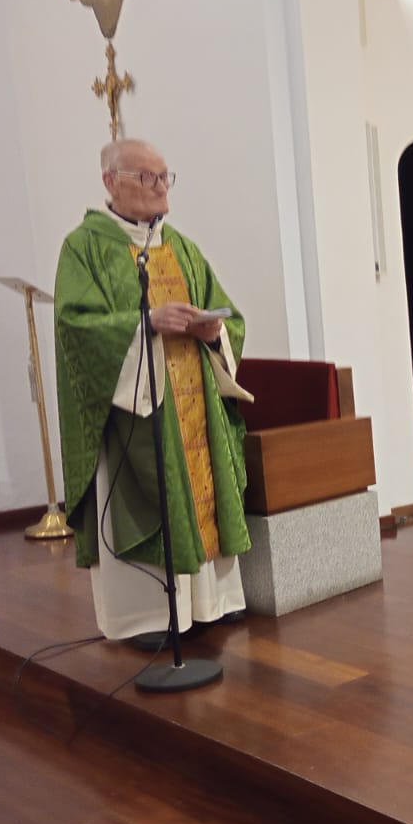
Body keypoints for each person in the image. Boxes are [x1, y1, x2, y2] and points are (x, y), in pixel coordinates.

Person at [54, 138, 251, 648]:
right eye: (147, 178)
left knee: (202, 491)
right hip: (134, 415)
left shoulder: (182, 247)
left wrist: (214, 334)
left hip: (195, 405)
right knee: (146, 495)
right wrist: (146, 325)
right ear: (110, 182)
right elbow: (77, 329)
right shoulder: (86, 247)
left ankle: (208, 602)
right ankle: (148, 617)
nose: (161, 188)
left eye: (166, 177)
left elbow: (228, 314)